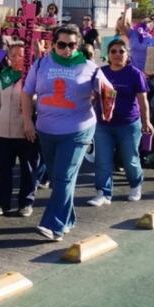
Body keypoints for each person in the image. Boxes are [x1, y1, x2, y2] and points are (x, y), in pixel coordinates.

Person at [21, 25, 109, 241]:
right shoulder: (41, 64)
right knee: (59, 177)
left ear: (77, 45)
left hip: (77, 131)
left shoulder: (90, 67)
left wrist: (105, 100)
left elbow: (107, 92)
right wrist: (27, 122)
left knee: (63, 178)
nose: (67, 49)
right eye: (62, 44)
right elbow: (26, 93)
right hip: (46, 130)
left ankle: (54, 225)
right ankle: (67, 218)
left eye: (72, 45)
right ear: (53, 44)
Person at [89, 39, 151, 206]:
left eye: (121, 51)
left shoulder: (135, 73)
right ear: (107, 55)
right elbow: (93, 96)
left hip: (128, 124)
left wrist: (146, 122)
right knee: (102, 159)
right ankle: (103, 193)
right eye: (113, 51)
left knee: (130, 158)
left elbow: (143, 100)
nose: (117, 55)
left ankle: (136, 185)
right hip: (103, 124)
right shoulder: (100, 72)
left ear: (127, 54)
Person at [0, 43, 41, 217]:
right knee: (2, 169)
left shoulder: (33, 75)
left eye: (21, 55)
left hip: (25, 130)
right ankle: (1, 202)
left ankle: (26, 203)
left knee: (27, 168)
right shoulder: (5, 74)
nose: (16, 59)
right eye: (13, 55)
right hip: (3, 130)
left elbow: (38, 98)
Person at [116, 6, 154, 73]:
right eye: (143, 22)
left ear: (152, 26)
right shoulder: (133, 34)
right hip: (133, 71)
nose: (145, 24)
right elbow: (122, 26)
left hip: (147, 73)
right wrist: (126, 10)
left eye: (148, 22)